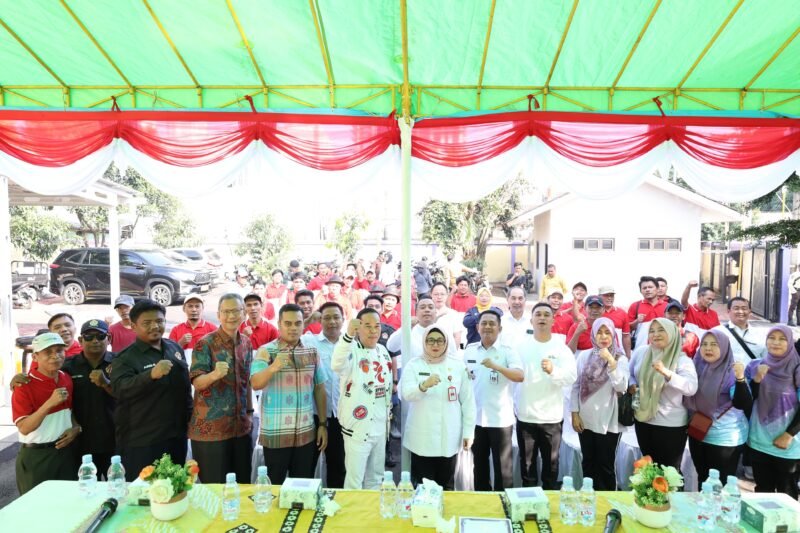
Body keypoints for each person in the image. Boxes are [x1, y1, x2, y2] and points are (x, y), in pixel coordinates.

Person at [111, 299, 192, 481]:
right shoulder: (125, 358)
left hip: (176, 435)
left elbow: (185, 387)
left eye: (159, 321)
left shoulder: (174, 347)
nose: (155, 326)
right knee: (144, 496)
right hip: (143, 440)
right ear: (133, 326)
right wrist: (150, 375)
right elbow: (119, 389)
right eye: (147, 323)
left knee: (174, 488)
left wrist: (190, 417)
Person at [250, 303, 328, 484]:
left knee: (302, 486)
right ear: (279, 324)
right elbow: (255, 384)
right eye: (288, 323)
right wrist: (274, 367)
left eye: (298, 323)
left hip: (306, 433)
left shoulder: (312, 351)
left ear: (303, 325)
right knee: (275, 486)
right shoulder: (266, 351)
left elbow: (319, 388)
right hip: (276, 434)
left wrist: (323, 424)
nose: (293, 328)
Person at [399, 325, 475, 489]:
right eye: (431, 340)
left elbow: (468, 402)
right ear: (424, 342)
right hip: (422, 439)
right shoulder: (414, 365)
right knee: (423, 489)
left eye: (440, 341)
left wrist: (469, 432)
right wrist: (423, 386)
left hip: (448, 438)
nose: (435, 345)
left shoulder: (458, 366)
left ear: (446, 342)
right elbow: (406, 394)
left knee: (447, 487)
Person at [188, 294, 253, 484]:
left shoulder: (247, 344)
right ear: (218, 314)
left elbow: (246, 381)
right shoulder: (205, 344)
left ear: (244, 313)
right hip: (211, 434)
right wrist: (215, 375)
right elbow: (197, 382)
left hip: (240, 429)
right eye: (226, 311)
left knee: (241, 487)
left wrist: (249, 413)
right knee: (215, 490)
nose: (231, 316)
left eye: (236, 311)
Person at [515, 303, 577, 489]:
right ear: (531, 320)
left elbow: (571, 377)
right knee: (527, 467)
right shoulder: (520, 347)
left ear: (553, 320)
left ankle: (550, 506)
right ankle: (529, 506)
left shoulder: (561, 348)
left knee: (551, 467)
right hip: (526, 416)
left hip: (552, 418)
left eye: (546, 315)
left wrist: (553, 371)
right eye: (538, 314)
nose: (542, 318)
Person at [13, 332, 81, 494]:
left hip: (65, 453)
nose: (55, 356)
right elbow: (24, 428)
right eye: (48, 352)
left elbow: (68, 412)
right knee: (37, 511)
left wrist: (76, 428)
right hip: (36, 457)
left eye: (59, 350)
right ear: (35, 357)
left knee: (67, 505)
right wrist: (49, 404)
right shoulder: (24, 385)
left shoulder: (65, 378)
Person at [332, 310, 394, 489]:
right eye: (368, 326)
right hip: (357, 429)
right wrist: (348, 335)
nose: (373, 331)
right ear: (358, 328)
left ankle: (371, 515)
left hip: (380, 428)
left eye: (377, 326)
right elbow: (336, 364)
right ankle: (354, 516)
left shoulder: (383, 351)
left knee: (376, 478)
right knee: (354, 481)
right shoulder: (350, 349)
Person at [464, 310, 523, 491]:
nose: (487, 327)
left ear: (500, 328)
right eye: (484, 323)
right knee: (479, 468)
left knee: (503, 471)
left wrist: (497, 366)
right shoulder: (470, 350)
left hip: (500, 420)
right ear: (477, 327)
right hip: (476, 420)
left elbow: (520, 375)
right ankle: (483, 507)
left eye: (492, 324)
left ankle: (504, 508)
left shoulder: (507, 351)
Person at [684, 331, 752, 486]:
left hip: (724, 438)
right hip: (698, 433)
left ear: (724, 347)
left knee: (720, 485)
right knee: (703, 480)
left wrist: (740, 378)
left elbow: (743, 403)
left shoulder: (731, 372)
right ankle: (704, 509)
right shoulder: (696, 366)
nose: (708, 348)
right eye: (705, 344)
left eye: (714, 345)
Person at [629, 318, 698, 470]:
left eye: (661, 330)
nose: (656, 334)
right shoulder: (641, 352)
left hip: (670, 425)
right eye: (652, 331)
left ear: (672, 333)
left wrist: (666, 373)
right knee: (647, 470)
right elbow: (631, 373)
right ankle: (649, 495)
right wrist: (631, 384)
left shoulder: (681, 360)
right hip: (643, 420)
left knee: (669, 473)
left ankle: (670, 495)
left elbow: (691, 387)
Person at [570, 318, 629, 490]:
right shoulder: (584, 356)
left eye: (607, 332)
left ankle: (608, 502)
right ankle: (588, 499)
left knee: (606, 465)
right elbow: (575, 386)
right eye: (599, 332)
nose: (603, 337)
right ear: (593, 335)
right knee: (588, 461)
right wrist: (574, 413)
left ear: (613, 334)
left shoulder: (620, 358)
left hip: (609, 421)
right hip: (586, 419)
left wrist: (611, 362)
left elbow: (622, 387)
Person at [744, 326, 800, 498]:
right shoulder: (755, 366)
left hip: (788, 444)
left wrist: (789, 434)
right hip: (758, 440)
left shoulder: (797, 368)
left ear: (790, 342)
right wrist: (756, 380)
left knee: (787, 493)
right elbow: (745, 400)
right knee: (762, 491)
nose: (775, 342)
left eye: (782, 339)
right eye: (772, 337)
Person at [63, 320, 116, 478]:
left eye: (101, 336)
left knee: (117, 488)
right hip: (81, 442)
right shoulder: (67, 366)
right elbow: (45, 376)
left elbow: (131, 395)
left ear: (109, 339)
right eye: (89, 336)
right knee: (85, 491)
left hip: (115, 440)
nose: (95, 340)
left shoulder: (121, 363)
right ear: (80, 340)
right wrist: (22, 378)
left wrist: (106, 383)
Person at [302, 302, 347, 488]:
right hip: (314, 415)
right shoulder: (309, 341)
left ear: (343, 320)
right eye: (326, 317)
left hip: (342, 417)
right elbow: (288, 336)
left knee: (338, 466)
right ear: (320, 320)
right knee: (306, 466)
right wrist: (306, 321)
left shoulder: (351, 343)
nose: (332, 322)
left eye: (336, 317)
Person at [714, 297, 766, 364]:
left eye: (744, 308)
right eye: (736, 308)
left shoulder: (760, 334)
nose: (740, 311)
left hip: (753, 374)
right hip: (727, 374)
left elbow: (765, 359)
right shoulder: (717, 332)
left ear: (749, 311)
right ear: (728, 311)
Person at [627, 276, 667, 345]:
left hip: (663, 348)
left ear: (657, 289)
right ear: (641, 291)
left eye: (650, 287)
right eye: (644, 288)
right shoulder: (635, 306)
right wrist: (636, 321)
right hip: (641, 349)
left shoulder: (667, 306)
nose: (647, 290)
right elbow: (627, 329)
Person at [598, 286, 632, 357]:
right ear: (599, 296)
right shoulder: (595, 313)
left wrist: (628, 355)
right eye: (606, 295)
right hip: (598, 354)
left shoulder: (622, 313)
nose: (609, 298)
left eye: (611, 295)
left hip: (618, 354)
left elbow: (626, 336)